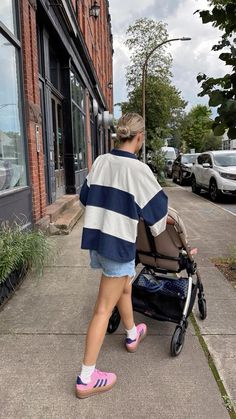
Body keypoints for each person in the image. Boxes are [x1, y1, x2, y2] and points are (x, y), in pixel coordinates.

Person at [76, 113, 168, 399]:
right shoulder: (138, 170)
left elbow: (84, 196)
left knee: (124, 285)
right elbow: (158, 210)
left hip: (99, 241)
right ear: (139, 138)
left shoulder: (102, 160)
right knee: (103, 309)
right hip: (118, 244)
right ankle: (86, 378)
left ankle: (131, 333)